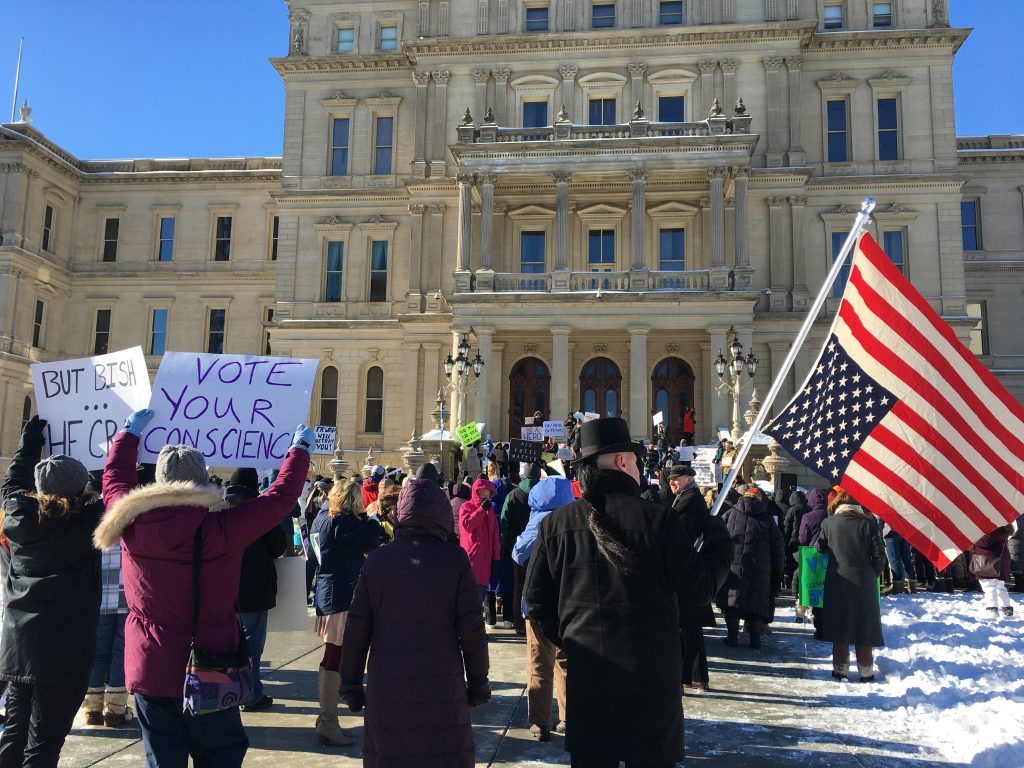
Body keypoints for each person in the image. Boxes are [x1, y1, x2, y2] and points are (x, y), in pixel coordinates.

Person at [95, 409, 313, 767]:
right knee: (220, 754)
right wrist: (299, 450)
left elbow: (113, 478)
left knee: (162, 757)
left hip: (150, 663)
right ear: (202, 483)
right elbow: (280, 499)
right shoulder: (222, 528)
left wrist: (128, 434)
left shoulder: (128, 519)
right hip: (211, 663)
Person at [524, 417, 732, 767]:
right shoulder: (659, 520)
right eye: (636, 460)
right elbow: (699, 589)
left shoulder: (556, 523)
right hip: (651, 684)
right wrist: (718, 539)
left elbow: (536, 601)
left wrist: (573, 638)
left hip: (589, 679)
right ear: (622, 462)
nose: (639, 467)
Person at [339, 476, 490, 767]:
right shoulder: (454, 560)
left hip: (387, 682)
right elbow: (472, 629)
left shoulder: (378, 560)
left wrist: (351, 680)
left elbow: (357, 628)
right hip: (441, 683)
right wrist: (479, 680)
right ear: (441, 514)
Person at [0, 416, 103, 766]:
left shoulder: (17, 514)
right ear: (81, 490)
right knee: (44, 741)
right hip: (64, 651)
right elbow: (120, 489)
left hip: (18, 646)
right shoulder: (86, 524)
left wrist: (30, 436)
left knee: (15, 731)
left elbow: (13, 478)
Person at [310, 478, 381, 746]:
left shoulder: (321, 519)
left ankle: (326, 719)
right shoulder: (343, 523)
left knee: (331, 656)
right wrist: (373, 518)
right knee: (335, 658)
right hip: (340, 595)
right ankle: (329, 721)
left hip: (326, 591)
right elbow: (371, 538)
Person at [228, 468, 290, 713]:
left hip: (224, 584)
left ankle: (230, 690)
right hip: (255, 585)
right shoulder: (261, 509)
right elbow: (277, 547)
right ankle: (251, 694)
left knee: (229, 642)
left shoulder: (220, 507)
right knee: (252, 643)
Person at [816, 489, 887, 682]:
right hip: (864, 582)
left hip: (837, 580)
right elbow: (879, 556)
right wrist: (872, 573)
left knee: (840, 627)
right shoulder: (868, 523)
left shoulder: (828, 523)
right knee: (864, 627)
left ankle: (840, 670)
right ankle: (866, 672)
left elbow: (819, 548)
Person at [82, 468, 132, 728]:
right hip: (125, 592)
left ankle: (91, 708)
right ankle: (115, 709)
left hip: (97, 594)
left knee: (98, 650)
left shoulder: (86, 515)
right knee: (120, 650)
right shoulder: (126, 510)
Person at [665, 465, 716, 692]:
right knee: (687, 624)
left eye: (675, 479)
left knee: (687, 624)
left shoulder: (689, 499)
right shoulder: (687, 497)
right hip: (689, 569)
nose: (671, 483)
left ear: (688, 479)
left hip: (686, 570)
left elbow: (678, 533)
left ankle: (694, 676)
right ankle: (691, 675)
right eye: (669, 480)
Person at [716, 486, 785, 649]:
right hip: (760, 572)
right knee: (756, 605)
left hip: (732, 570)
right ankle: (755, 639)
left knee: (732, 604)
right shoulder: (768, 520)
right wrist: (777, 577)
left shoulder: (729, 515)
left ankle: (731, 636)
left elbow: (718, 542)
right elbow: (778, 551)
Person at [501, 462, 542, 636]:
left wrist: (505, 543)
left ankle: (519, 624)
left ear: (523, 475)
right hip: (541, 547)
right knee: (539, 585)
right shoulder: (544, 494)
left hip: (517, 548)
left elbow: (504, 522)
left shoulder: (512, 495)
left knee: (519, 587)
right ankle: (537, 624)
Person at [458, 477, 499, 608]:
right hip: (471, 559)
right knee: (470, 602)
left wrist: (495, 557)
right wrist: (481, 510)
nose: (485, 496)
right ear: (476, 492)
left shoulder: (490, 510)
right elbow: (467, 525)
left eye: (488, 494)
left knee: (479, 598)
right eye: (482, 493)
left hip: (485, 561)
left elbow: (494, 534)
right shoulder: (466, 507)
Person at [485, 461, 514, 628]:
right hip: (506, 545)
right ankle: (509, 619)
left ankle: (491, 620)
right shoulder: (508, 502)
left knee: (490, 580)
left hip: (491, 547)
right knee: (506, 580)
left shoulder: (487, 507)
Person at [970, 523, 1014, 617]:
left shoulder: (993, 527)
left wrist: (972, 540)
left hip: (988, 561)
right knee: (1000, 587)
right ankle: (1006, 608)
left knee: (989, 587)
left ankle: (992, 609)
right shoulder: (1003, 528)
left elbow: (984, 542)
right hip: (999, 561)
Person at [882, 527, 918, 594]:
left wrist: (880, 534)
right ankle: (912, 585)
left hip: (891, 533)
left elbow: (880, 520)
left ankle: (898, 587)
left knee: (895, 561)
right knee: (907, 560)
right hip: (905, 532)